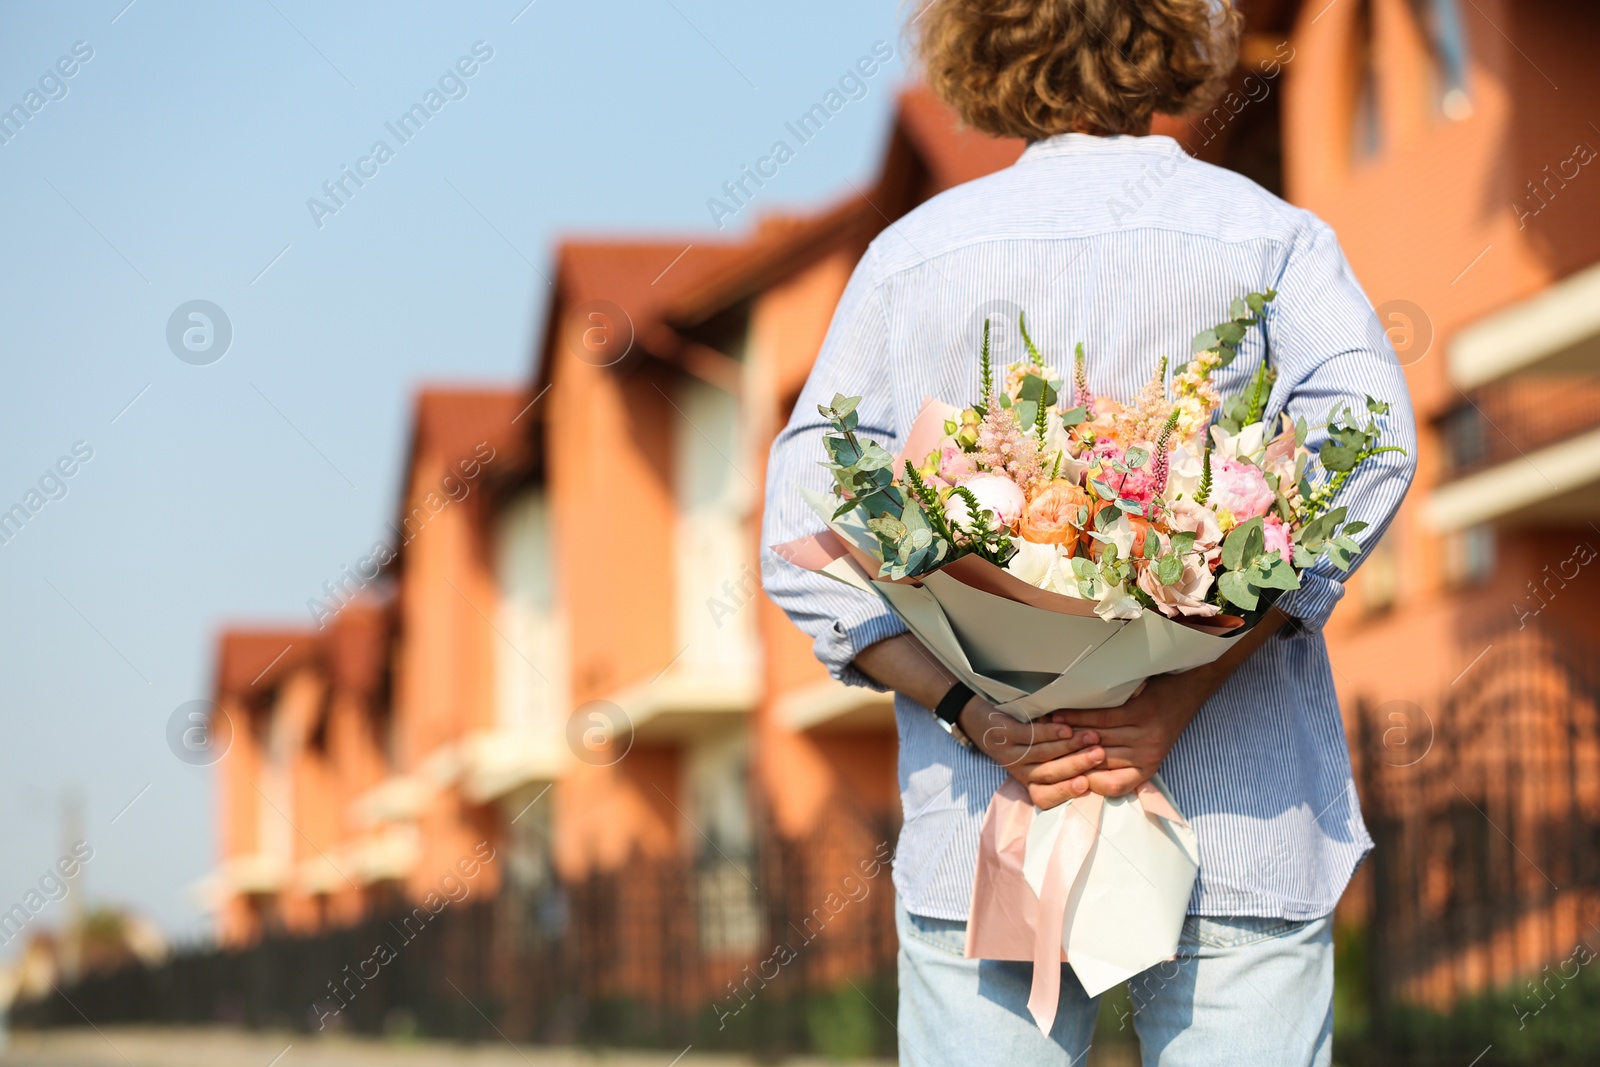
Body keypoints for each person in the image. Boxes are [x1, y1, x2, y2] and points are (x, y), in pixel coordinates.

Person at [760, 2, 1418, 1064]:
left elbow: (801, 526)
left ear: (977, 46)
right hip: (1237, 821)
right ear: (1170, 35)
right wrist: (1181, 691)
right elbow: (1369, 447)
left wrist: (980, 713)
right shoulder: (1267, 233)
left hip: (988, 828)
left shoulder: (908, 256)